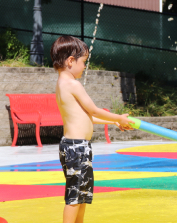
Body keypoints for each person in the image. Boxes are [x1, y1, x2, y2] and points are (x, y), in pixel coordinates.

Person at [51, 35, 133, 223]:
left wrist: (113, 123)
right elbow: (94, 109)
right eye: (84, 62)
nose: (85, 67)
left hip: (74, 147)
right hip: (77, 147)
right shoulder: (72, 84)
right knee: (75, 196)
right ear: (71, 61)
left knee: (81, 194)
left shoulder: (61, 84)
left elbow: (86, 117)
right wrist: (118, 117)